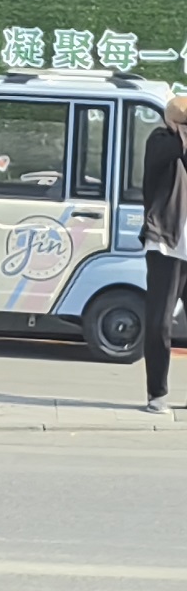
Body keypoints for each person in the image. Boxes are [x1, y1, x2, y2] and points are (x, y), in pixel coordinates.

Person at [140, 96, 187, 414]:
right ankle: (157, 394)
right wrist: (176, 127)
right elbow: (174, 148)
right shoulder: (160, 140)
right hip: (166, 243)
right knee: (160, 321)